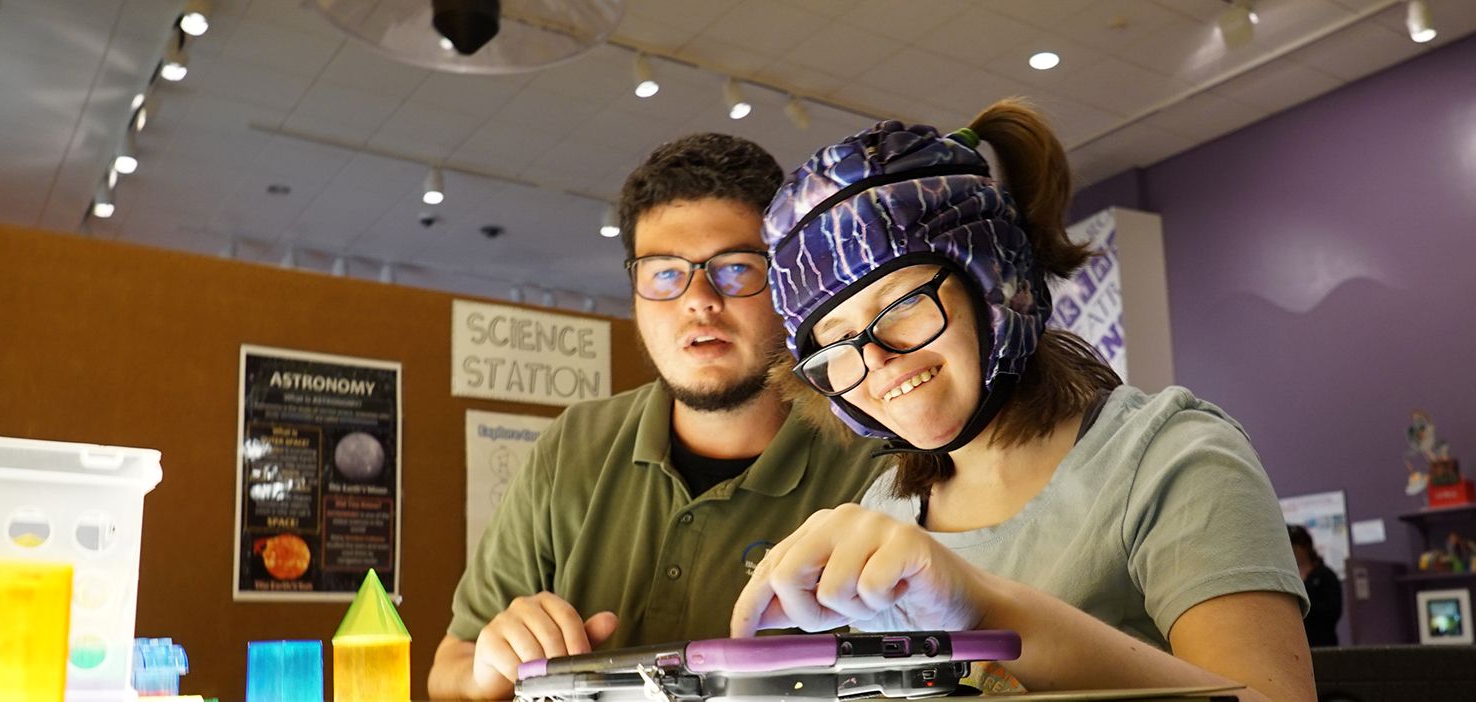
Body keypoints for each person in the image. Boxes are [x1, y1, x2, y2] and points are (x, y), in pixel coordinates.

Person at [729, 100, 1316, 702]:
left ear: (995, 284)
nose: (874, 358)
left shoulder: (1170, 457)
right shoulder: (887, 510)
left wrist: (985, 612)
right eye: (835, 344)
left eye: (901, 306)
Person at [428, 134, 886, 700]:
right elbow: (450, 668)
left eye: (736, 267)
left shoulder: (875, 453)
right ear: (635, 297)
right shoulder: (574, 446)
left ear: (788, 283)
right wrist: (493, 665)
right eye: (665, 273)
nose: (699, 299)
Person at [1289, 524, 1343, 647]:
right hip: (1297, 644)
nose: (1292, 551)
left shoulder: (1325, 575)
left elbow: (1333, 611)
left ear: (1306, 547)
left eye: (1294, 546)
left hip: (1322, 643)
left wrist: (1306, 604)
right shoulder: (1289, 577)